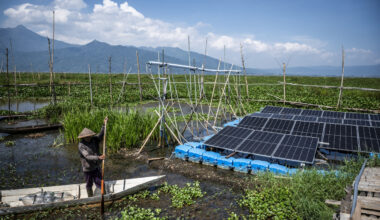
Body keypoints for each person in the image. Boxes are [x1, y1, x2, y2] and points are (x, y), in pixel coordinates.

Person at [78, 117, 108, 197]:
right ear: (83, 137)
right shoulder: (81, 145)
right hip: (87, 168)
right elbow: (87, 156)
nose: (88, 138)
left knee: (100, 182)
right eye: (86, 137)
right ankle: (90, 197)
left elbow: (101, 135)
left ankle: (103, 195)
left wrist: (104, 125)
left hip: (96, 166)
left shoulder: (94, 139)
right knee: (89, 184)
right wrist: (98, 157)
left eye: (89, 136)